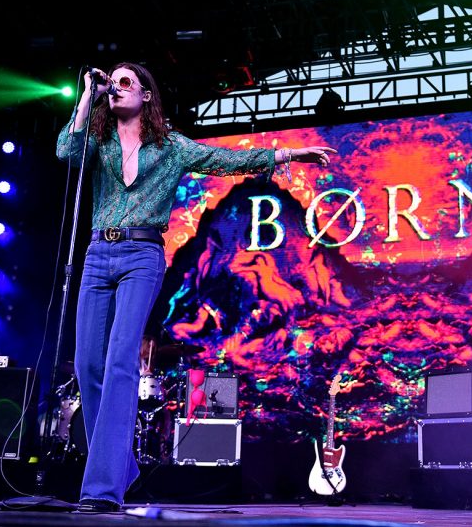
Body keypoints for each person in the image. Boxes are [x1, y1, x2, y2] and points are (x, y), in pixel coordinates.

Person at [55, 62, 336, 513]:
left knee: (121, 359)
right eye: (113, 82)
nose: (116, 87)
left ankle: (102, 489)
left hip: (141, 257)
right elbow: (66, 151)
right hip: (96, 256)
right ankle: (120, 465)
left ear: (146, 95)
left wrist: (290, 155)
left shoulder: (171, 148)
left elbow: (230, 161)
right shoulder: (100, 142)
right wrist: (88, 92)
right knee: (88, 364)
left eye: (125, 81)